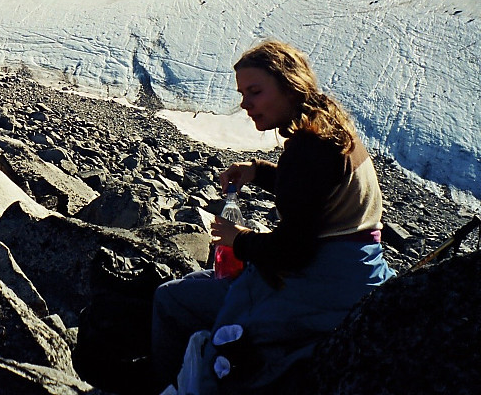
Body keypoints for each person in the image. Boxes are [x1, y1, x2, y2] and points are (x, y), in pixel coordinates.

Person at [151, 39, 395, 393]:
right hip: (360, 268)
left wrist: (240, 240)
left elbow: (295, 250)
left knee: (173, 300)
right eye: (242, 93)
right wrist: (258, 171)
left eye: (255, 92)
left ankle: (177, 385)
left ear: (288, 86)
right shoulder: (327, 129)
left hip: (326, 282)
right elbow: (312, 191)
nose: (245, 104)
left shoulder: (309, 149)